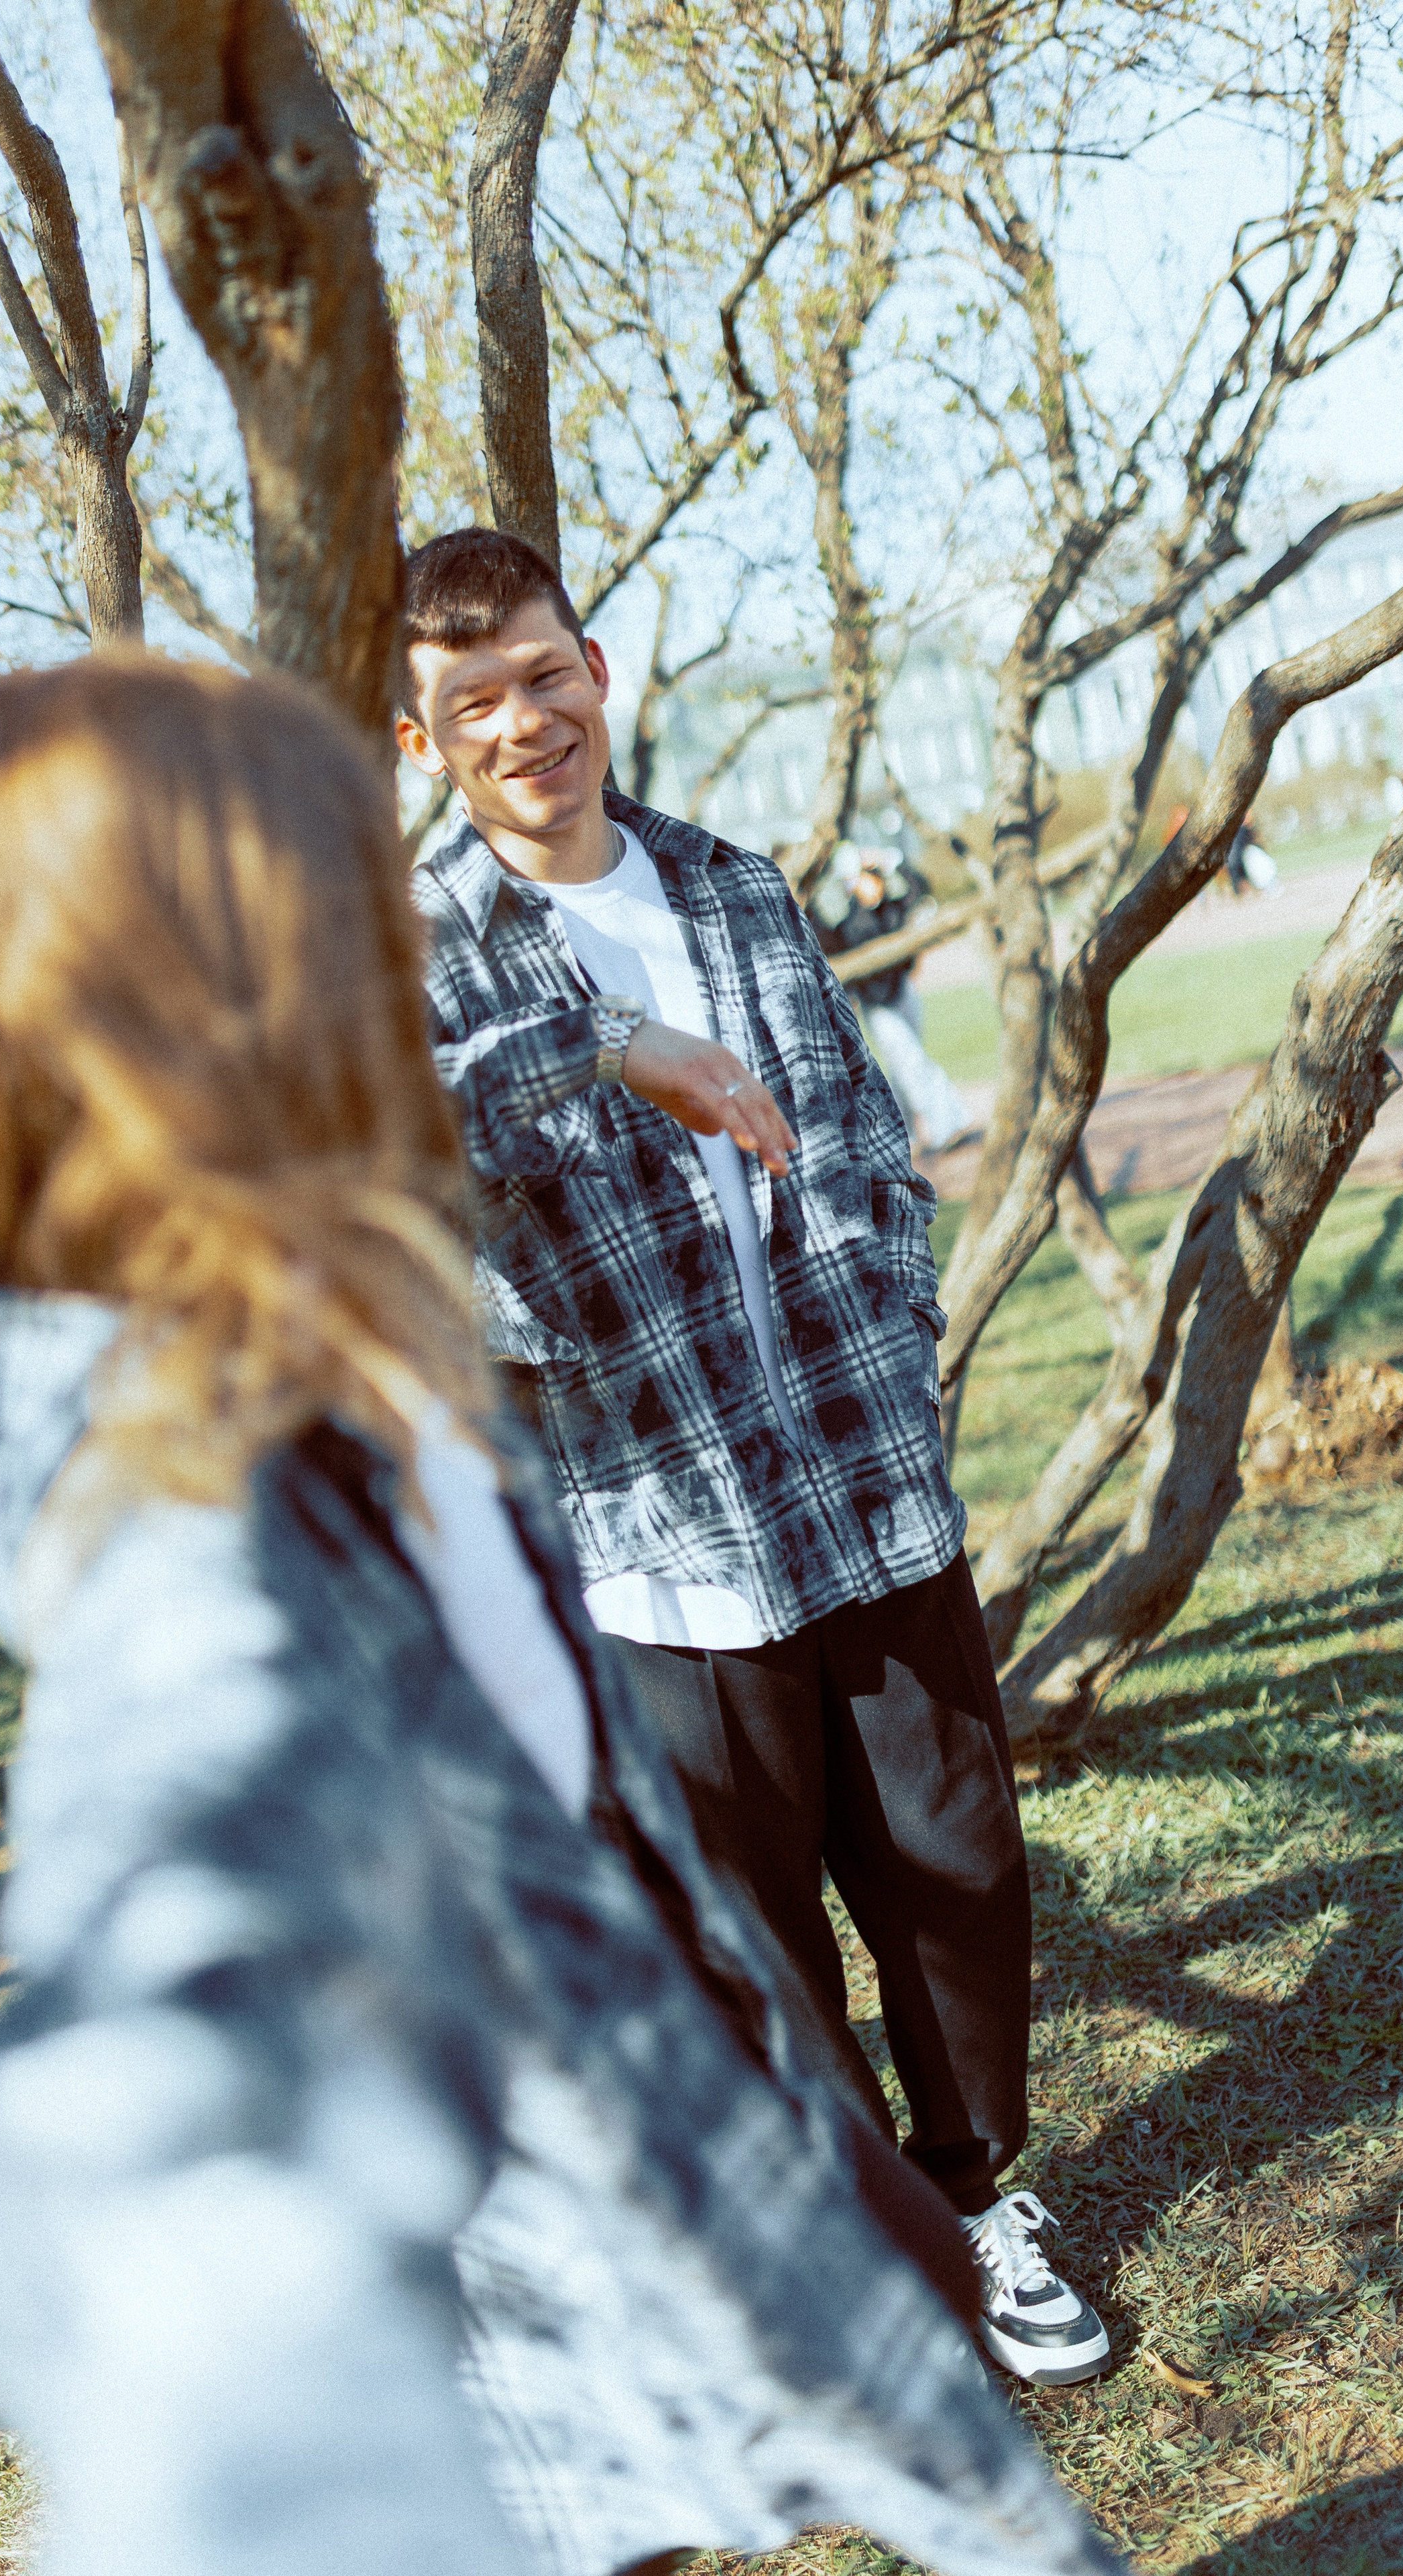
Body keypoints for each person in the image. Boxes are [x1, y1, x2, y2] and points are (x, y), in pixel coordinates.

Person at [0, 651, 1127, 2576]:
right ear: (176, 995)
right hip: (518, 2358)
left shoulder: (331, 1345)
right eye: (318, 916)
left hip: (702, 2202)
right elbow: (145, 2110)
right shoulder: (188, 1512)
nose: (382, 961)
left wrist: (836, 2166)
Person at [400, 527, 1110, 2389]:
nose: (521, 722)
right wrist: (619, 1043)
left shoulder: (736, 884)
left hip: (864, 1489)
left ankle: (975, 2200)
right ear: (422, 741)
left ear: (598, 671)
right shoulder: (414, 961)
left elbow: (862, 1143)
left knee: (958, 1872)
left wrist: (889, 1339)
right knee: (757, 1938)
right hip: (654, 1542)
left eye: (543, 675)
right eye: (470, 701)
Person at [808, 843, 975, 1155]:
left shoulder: (891, 900)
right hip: (875, 1002)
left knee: (902, 1066)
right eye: (864, 876)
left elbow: (919, 887)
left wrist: (887, 861)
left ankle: (906, 1134)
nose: (873, 883)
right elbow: (824, 940)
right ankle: (948, 1126)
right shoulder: (840, 912)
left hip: (903, 989)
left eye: (874, 875)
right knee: (910, 1061)